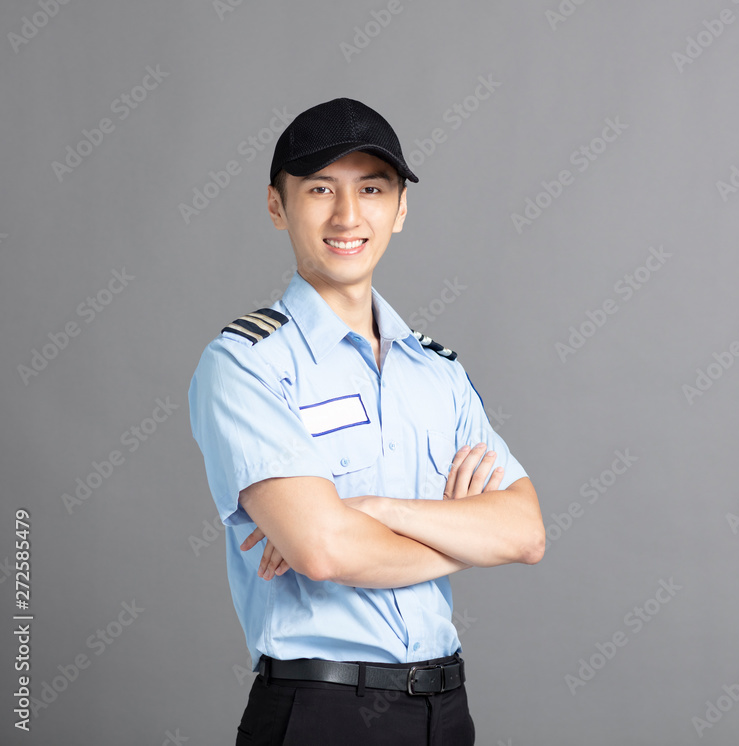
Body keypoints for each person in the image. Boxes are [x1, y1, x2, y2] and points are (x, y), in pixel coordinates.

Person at [188, 97, 545, 745]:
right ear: (277, 205)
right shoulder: (246, 364)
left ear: (400, 209)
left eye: (372, 189)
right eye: (321, 188)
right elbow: (323, 552)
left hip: (447, 709)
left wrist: (378, 510)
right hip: (323, 711)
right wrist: (464, 538)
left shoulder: (439, 373)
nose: (348, 215)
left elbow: (524, 533)